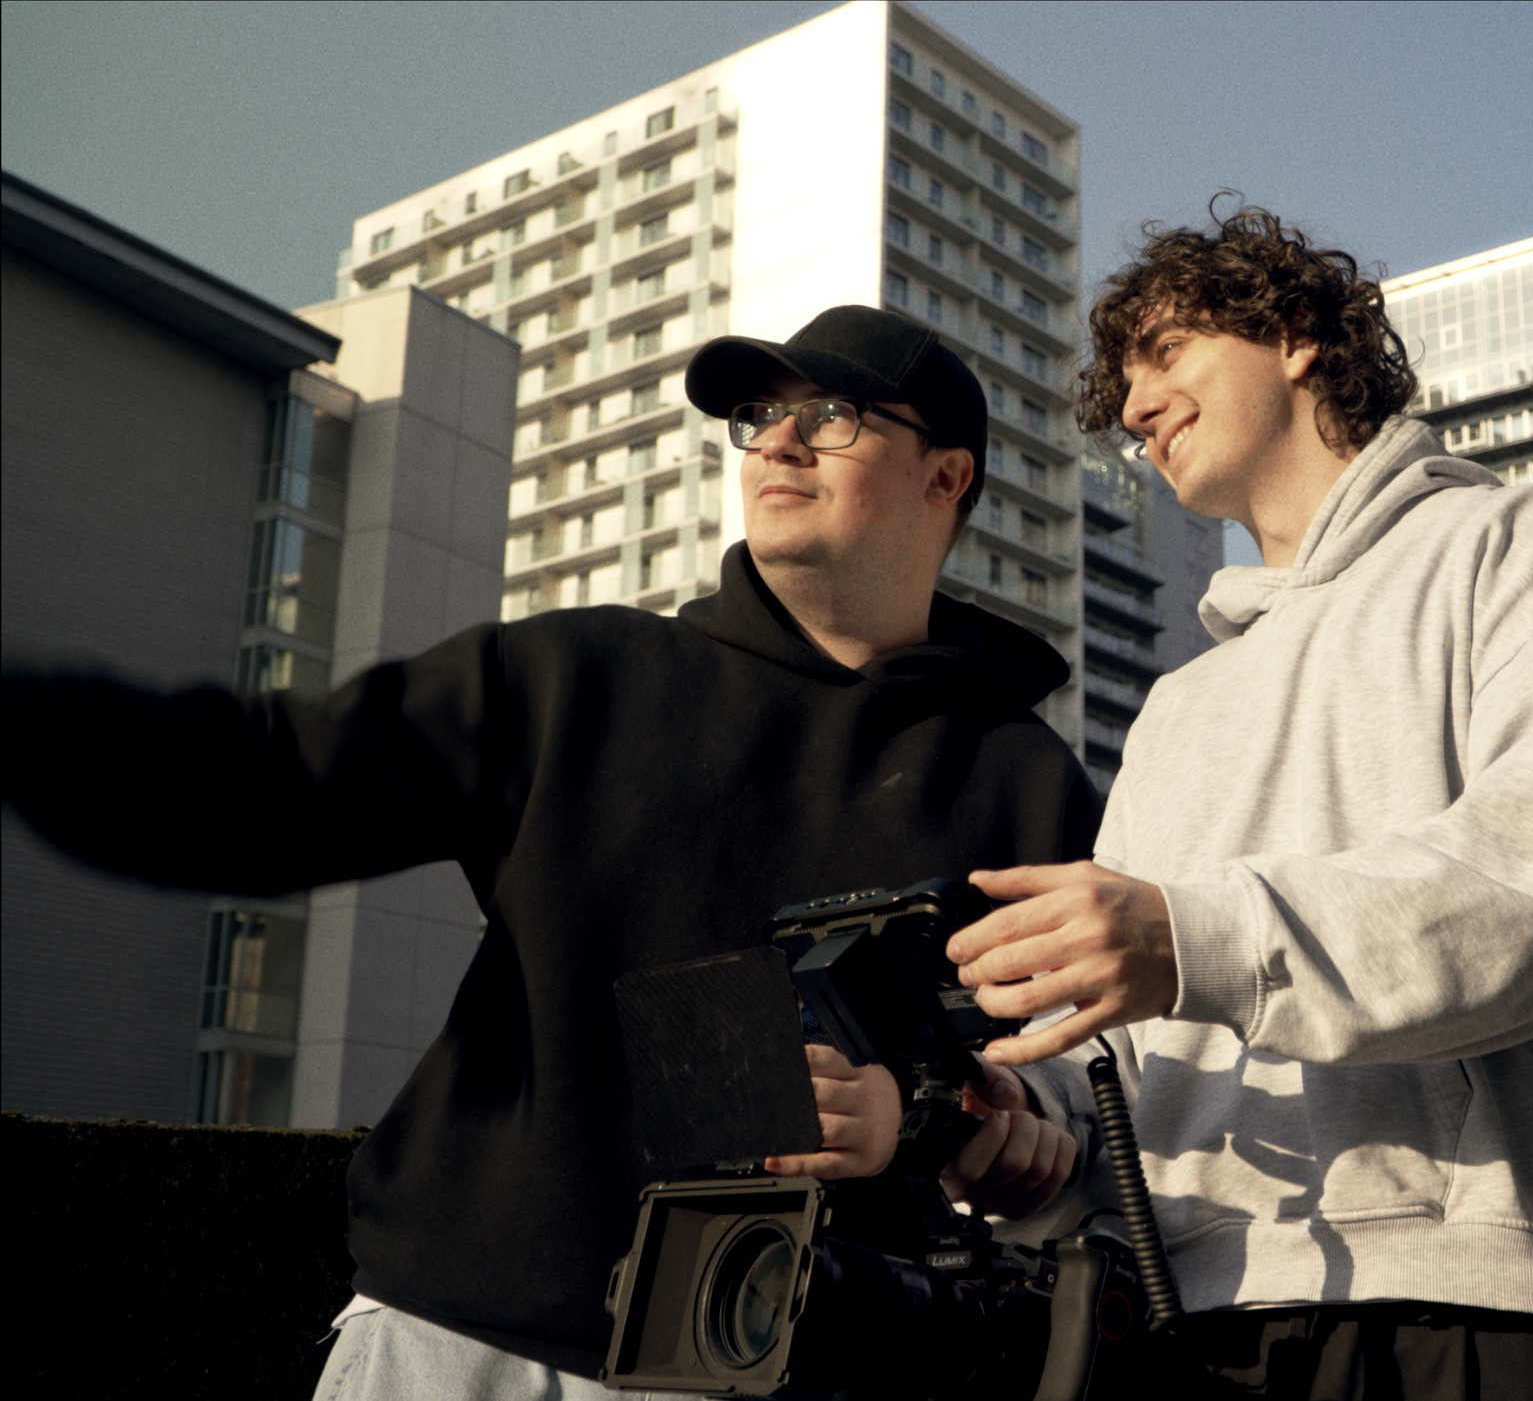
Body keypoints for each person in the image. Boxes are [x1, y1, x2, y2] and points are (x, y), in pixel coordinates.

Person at [2, 305, 1085, 1397]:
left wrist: (970, 1121)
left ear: (948, 477)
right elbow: (260, 786)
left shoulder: (1030, 783)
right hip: (454, 1339)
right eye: (758, 416)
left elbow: (1067, 1090)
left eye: (832, 415)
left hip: (790, 1357)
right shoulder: (582, 675)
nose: (776, 441)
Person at [942, 207, 1533, 1400]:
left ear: (1296, 332)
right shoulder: (1175, 710)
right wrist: (1025, 1116)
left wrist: (1188, 935)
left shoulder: (1532, 543)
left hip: (1479, 1301)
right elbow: (1136, 1045)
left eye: (1165, 354)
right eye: (1122, 390)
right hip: (1186, 1316)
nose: (1136, 409)